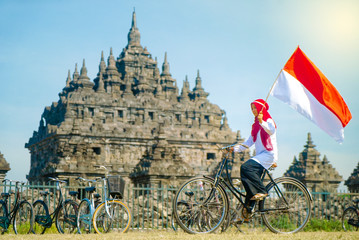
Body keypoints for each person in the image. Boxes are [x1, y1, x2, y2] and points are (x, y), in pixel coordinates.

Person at [228, 99, 278, 217]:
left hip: (269, 154)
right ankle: (248, 210)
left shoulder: (268, 120)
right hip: (260, 156)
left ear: (261, 109)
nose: (253, 111)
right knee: (246, 176)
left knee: (246, 167)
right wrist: (234, 148)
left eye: (255, 108)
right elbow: (249, 142)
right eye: (252, 109)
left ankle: (262, 190)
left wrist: (262, 121)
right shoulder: (256, 125)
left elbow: (271, 130)